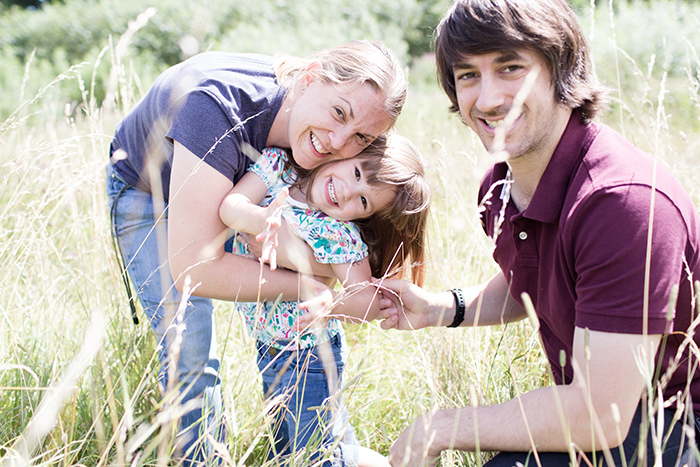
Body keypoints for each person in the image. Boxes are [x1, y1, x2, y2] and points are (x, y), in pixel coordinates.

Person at [377, 0, 700, 466]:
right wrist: (442, 308)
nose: (487, 100)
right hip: (615, 413)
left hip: (673, 424)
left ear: (560, 71)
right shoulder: (502, 186)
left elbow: (600, 415)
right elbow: (534, 281)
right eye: (468, 75)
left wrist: (438, 429)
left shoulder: (621, 203)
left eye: (510, 68)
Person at [106, 40, 406, 465]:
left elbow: (330, 247)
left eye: (361, 136)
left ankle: (337, 453)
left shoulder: (325, 151)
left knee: (302, 401)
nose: (339, 141)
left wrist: (324, 275)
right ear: (309, 77)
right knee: (189, 350)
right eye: (339, 113)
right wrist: (307, 284)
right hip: (150, 191)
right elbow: (195, 271)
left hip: (239, 190)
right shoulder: (218, 108)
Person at [218, 133, 430, 466]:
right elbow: (230, 208)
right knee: (290, 449)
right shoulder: (279, 168)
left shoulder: (338, 233)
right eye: (357, 173)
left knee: (314, 457)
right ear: (350, 151)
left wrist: (331, 301)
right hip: (267, 347)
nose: (347, 191)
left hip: (309, 359)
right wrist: (265, 222)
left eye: (362, 202)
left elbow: (370, 302)